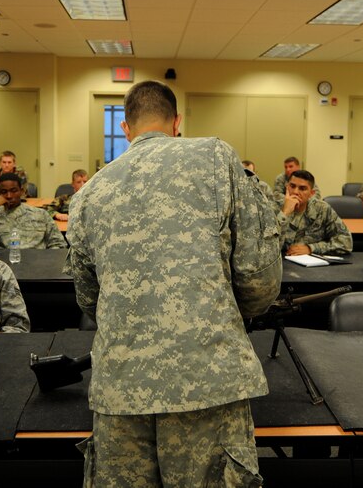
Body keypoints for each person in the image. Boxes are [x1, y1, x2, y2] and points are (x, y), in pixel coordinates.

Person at [66, 80, 282, 485]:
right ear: (177, 122)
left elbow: (88, 298)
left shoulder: (89, 192)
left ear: (127, 129)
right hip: (207, 380)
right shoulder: (216, 158)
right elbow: (258, 278)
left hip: (120, 388)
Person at [0, 173, 66, 250]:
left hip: (38, 261)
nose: (9, 196)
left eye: (13, 191)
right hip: (6, 263)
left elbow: (58, 243)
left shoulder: (40, 214)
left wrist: (50, 261)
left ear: (21, 191)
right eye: (4, 192)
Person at [280, 169, 353, 256]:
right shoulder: (273, 207)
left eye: (302, 188)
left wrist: (311, 248)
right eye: (292, 186)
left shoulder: (322, 209)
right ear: (287, 187)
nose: (295, 192)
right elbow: (264, 245)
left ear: (311, 193)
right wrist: (284, 213)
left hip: (311, 263)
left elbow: (346, 242)